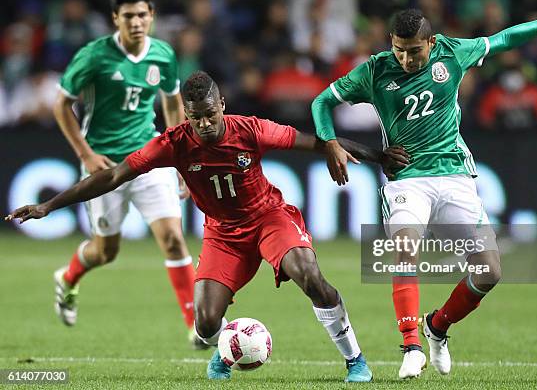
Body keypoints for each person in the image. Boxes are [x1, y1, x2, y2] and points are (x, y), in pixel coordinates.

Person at [7, 71, 410, 382]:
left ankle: (355, 361)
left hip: (269, 218)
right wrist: (49, 205)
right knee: (204, 324)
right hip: (223, 234)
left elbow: (317, 143)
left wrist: (376, 155)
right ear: (186, 112)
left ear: (222, 104)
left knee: (308, 275)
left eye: (210, 114)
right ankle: (228, 348)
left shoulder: (250, 129)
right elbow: (113, 176)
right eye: (195, 116)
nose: (203, 123)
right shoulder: (173, 143)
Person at [311, 0, 537, 379]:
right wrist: (331, 142)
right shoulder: (374, 71)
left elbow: (503, 39)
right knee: (404, 248)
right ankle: (410, 346)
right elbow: (322, 102)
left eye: (415, 52)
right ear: (391, 43)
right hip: (408, 179)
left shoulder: (454, 53)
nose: (407, 60)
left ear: (432, 42)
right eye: (399, 51)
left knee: (488, 272)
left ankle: (436, 326)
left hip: (455, 175)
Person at [51, 0, 199, 348]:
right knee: (106, 251)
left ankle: (196, 325)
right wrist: (85, 154)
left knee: (173, 239)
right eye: (128, 16)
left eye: (142, 14)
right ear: (115, 19)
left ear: (152, 15)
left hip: (148, 157)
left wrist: (179, 157)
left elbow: (171, 104)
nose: (136, 21)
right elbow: (61, 105)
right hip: (104, 165)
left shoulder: (163, 54)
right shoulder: (94, 56)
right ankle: (68, 278)